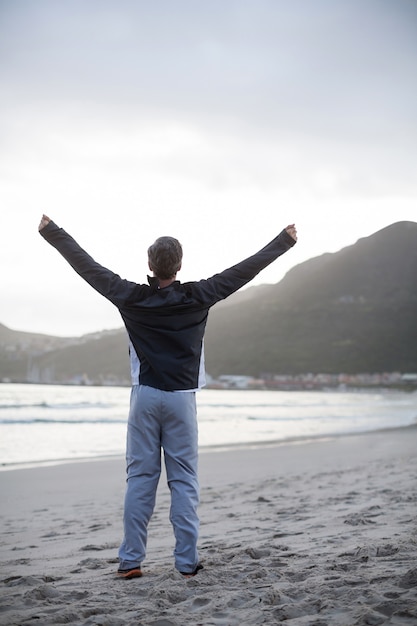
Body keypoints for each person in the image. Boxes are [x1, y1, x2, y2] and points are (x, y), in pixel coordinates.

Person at [39, 214, 297, 579]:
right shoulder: (199, 295)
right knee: (184, 481)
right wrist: (283, 242)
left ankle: (130, 561)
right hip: (181, 399)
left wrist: (53, 232)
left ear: (150, 264)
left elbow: (88, 267)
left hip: (144, 397)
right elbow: (243, 271)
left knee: (140, 479)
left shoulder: (131, 297)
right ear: (179, 265)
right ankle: (186, 562)